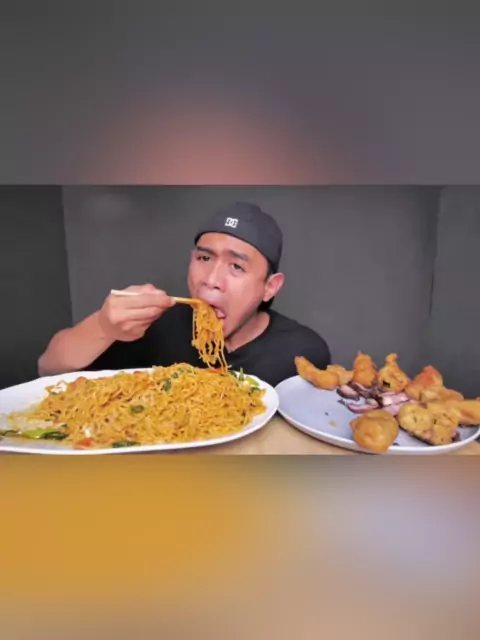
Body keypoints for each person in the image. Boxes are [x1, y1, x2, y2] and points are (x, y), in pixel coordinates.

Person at [38, 202, 331, 387]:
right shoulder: (153, 325)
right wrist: (103, 326)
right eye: (204, 258)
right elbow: (48, 367)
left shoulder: (301, 351)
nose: (211, 281)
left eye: (237, 266)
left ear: (270, 287)